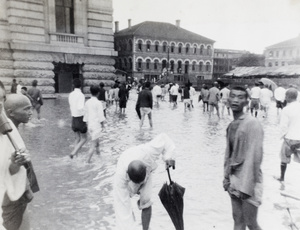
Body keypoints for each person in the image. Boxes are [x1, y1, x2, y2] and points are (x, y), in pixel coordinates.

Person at [114, 133, 176, 230]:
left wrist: (168, 158)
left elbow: (165, 139)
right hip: (129, 175)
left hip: (145, 170)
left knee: (146, 201)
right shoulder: (121, 178)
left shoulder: (148, 152)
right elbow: (123, 214)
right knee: (123, 212)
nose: (140, 187)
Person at [223, 86, 263, 230]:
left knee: (251, 223)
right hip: (234, 179)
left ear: (247, 102)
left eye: (240, 97)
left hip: (249, 180)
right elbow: (229, 155)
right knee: (238, 220)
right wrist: (226, 177)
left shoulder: (252, 124)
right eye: (233, 96)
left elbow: (255, 156)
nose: (235, 100)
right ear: (228, 100)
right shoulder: (232, 125)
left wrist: (246, 187)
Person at [0, 81, 28, 230]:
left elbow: (8, 172)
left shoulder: (7, 127)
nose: (0, 104)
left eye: (2, 98)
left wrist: (16, 163)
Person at [276, 88, 300, 182]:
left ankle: (282, 178)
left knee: (283, 158)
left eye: (285, 96)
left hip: (289, 138)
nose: (285, 98)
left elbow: (283, 127)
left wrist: (281, 137)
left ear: (288, 97)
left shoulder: (286, 109)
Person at [83, 85, 105, 163]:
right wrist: (103, 124)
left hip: (90, 125)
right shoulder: (98, 103)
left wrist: (86, 123)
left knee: (97, 142)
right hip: (96, 126)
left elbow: (85, 115)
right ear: (98, 93)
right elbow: (101, 116)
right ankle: (87, 161)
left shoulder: (87, 102)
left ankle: (99, 156)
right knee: (93, 145)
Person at [68, 79, 87, 159]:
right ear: (81, 85)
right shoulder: (81, 95)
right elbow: (80, 108)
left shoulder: (71, 94)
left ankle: (75, 156)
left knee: (77, 138)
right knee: (84, 138)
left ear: (73, 85)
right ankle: (73, 153)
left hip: (74, 118)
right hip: (80, 118)